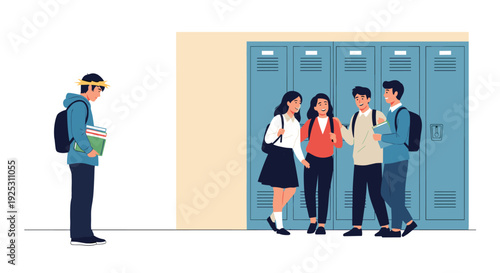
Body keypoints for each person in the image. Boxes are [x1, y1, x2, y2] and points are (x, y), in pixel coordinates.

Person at [64, 73, 108, 245]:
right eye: (98, 90)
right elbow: (78, 131)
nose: (99, 94)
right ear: (89, 87)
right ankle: (79, 235)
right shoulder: (81, 105)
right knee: (82, 197)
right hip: (81, 157)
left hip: (81, 157)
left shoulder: (81, 104)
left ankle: (84, 232)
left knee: (83, 196)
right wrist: (89, 150)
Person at [341, 86, 390, 237]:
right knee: (358, 195)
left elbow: (386, 137)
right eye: (356, 98)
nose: (359, 100)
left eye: (362, 97)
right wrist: (339, 127)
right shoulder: (354, 117)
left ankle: (385, 226)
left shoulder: (377, 115)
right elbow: (350, 140)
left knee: (376, 195)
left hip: (374, 160)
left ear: (368, 99)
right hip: (359, 161)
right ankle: (357, 227)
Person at [259, 91, 310, 235]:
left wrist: (302, 160)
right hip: (276, 156)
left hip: (288, 157)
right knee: (278, 192)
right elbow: (268, 139)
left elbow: (296, 145)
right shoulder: (278, 119)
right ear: (287, 102)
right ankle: (280, 227)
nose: (298, 105)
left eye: (300, 102)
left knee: (291, 189)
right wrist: (277, 133)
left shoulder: (296, 123)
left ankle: (273, 217)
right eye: (295, 101)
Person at [373, 80, 418, 238]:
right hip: (389, 157)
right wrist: (382, 125)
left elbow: (400, 137)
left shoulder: (402, 112)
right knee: (385, 192)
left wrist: (380, 135)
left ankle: (396, 230)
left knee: (397, 194)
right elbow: (391, 131)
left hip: (399, 158)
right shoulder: (390, 111)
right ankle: (410, 222)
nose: (384, 94)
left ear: (396, 93)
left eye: (387, 91)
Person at [300, 93, 342, 235]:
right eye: (320, 104)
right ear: (314, 107)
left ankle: (322, 224)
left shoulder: (334, 122)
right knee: (309, 191)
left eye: (325, 103)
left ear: (329, 106)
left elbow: (340, 145)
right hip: (311, 160)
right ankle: (313, 221)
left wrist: (335, 138)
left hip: (327, 161)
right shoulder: (310, 122)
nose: (323, 106)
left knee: (324, 192)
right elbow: (297, 138)